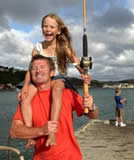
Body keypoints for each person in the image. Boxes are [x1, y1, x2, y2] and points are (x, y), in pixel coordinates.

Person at [18, 13, 91, 147]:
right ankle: (30, 135)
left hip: (57, 76)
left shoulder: (63, 47)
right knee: (25, 99)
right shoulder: (38, 48)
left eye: (51, 27)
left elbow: (76, 62)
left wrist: (84, 74)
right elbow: (31, 69)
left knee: (57, 90)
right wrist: (25, 87)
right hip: (40, 79)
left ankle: (52, 132)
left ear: (58, 31)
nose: (47, 29)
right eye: (45, 26)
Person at [10, 55, 99, 160]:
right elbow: (14, 131)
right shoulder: (27, 99)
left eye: (42, 67)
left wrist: (91, 106)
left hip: (70, 156)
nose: (38, 71)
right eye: (34, 68)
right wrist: (41, 131)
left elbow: (93, 116)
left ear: (52, 72)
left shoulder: (67, 93)